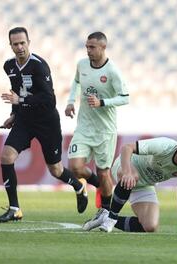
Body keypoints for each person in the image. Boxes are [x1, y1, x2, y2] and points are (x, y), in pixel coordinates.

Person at [0, 27, 88, 222]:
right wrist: (14, 114)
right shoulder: (9, 66)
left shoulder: (39, 66)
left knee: (55, 170)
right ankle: (15, 209)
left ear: (29, 42)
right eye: (15, 44)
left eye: (23, 43)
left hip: (47, 122)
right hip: (24, 121)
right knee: (6, 157)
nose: (20, 47)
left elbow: (49, 100)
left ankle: (79, 186)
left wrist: (19, 101)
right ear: (10, 45)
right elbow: (17, 90)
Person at [81, 134, 177, 233]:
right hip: (127, 166)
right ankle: (111, 217)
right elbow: (126, 148)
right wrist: (127, 172)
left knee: (150, 227)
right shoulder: (164, 146)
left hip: (145, 185)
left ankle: (104, 217)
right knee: (133, 177)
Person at [65, 32, 129, 217]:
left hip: (104, 131)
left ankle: (106, 211)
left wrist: (103, 102)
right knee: (74, 167)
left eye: (92, 47)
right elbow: (76, 81)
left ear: (103, 47)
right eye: (86, 46)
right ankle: (88, 186)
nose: (88, 51)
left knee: (104, 173)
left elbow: (125, 98)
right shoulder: (82, 65)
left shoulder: (112, 72)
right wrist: (70, 102)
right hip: (84, 127)